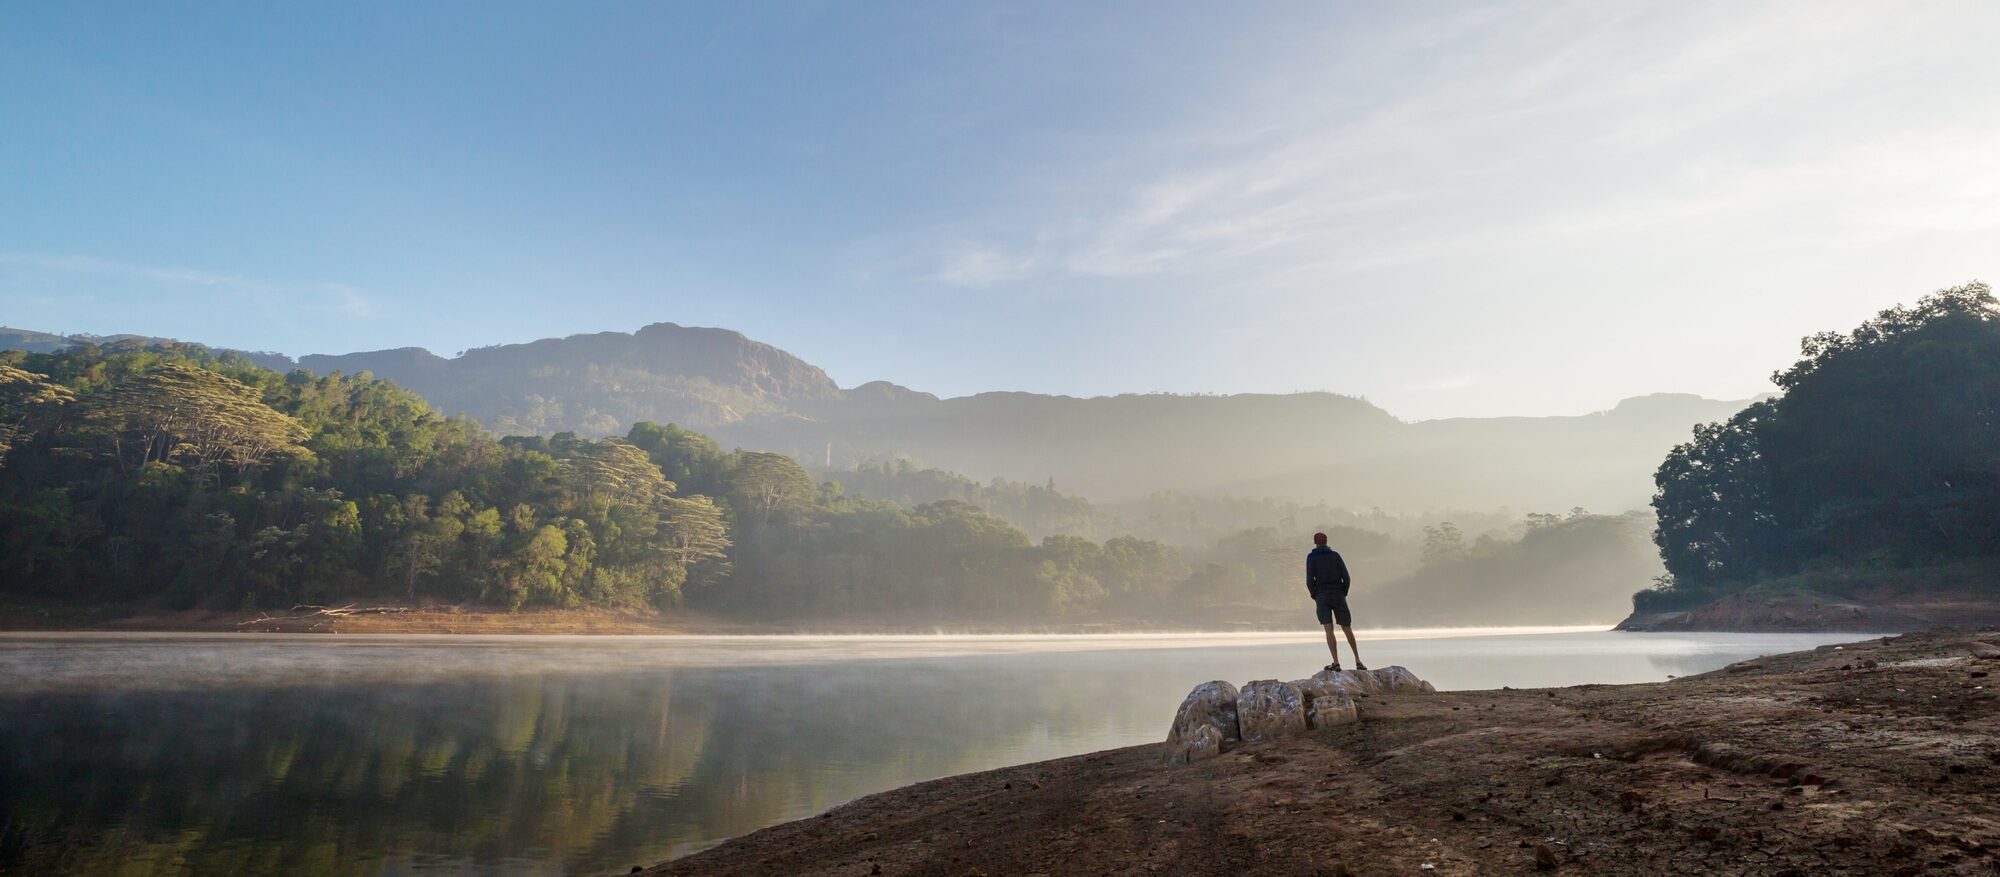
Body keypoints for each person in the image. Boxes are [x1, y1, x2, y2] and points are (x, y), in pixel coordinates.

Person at [1307, 532, 1363, 672]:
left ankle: (1336, 662)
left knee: (1328, 629)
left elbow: (1309, 580)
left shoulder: (1312, 557)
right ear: (1326, 542)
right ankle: (1358, 660)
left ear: (1315, 542)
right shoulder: (1335, 556)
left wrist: (1315, 595)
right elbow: (1346, 577)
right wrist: (1344, 592)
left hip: (1322, 595)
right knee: (1346, 627)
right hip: (1338, 594)